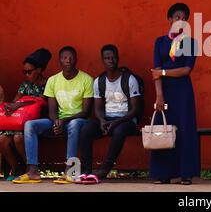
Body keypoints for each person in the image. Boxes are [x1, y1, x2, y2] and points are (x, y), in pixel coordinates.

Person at [13, 46, 93, 184]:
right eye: (64, 58)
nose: (68, 60)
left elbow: (86, 112)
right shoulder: (53, 81)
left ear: (76, 60)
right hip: (59, 122)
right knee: (30, 125)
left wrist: (63, 121)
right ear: (59, 61)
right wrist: (56, 121)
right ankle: (32, 170)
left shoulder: (86, 79)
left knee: (74, 124)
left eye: (71, 57)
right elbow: (51, 111)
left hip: (78, 121)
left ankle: (70, 171)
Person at [149, 2, 200, 185]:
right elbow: (156, 69)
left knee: (185, 130)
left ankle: (186, 173)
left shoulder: (191, 43)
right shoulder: (160, 42)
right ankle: (164, 174)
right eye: (177, 17)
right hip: (165, 91)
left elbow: (186, 70)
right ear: (170, 19)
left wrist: (163, 73)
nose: (181, 21)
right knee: (164, 130)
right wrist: (159, 95)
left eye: (185, 18)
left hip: (183, 91)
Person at [78, 44, 141, 184]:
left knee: (119, 131)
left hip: (127, 120)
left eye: (113, 58)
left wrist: (117, 122)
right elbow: (98, 108)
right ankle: (86, 171)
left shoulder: (129, 79)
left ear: (117, 59)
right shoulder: (99, 81)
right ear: (102, 60)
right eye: (107, 58)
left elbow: (135, 109)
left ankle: (104, 170)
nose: (110, 61)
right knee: (86, 129)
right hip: (107, 119)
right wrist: (101, 120)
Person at [0, 48, 51, 181]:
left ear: (39, 70)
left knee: (18, 138)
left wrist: (18, 105)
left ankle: (31, 168)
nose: (26, 74)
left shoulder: (49, 84)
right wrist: (11, 107)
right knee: (2, 139)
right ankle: (16, 168)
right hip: (21, 122)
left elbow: (43, 101)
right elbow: (15, 101)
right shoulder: (25, 85)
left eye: (29, 71)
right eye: (24, 72)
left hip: (39, 122)